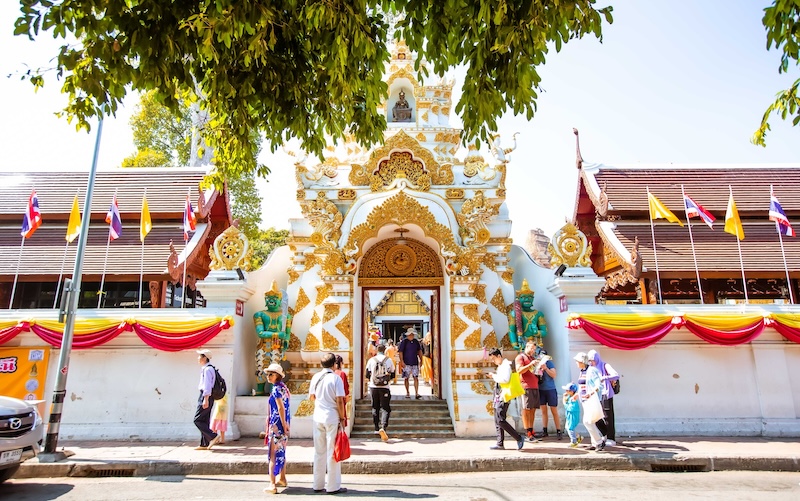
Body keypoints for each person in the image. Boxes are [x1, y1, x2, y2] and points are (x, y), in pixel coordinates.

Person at [308, 352, 347, 495]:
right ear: (334, 364)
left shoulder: (315, 377)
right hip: (332, 417)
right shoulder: (336, 379)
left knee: (319, 451)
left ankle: (317, 484)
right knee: (332, 452)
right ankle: (332, 486)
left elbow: (312, 397)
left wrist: (321, 402)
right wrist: (342, 418)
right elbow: (339, 400)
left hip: (318, 416)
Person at [253, 281, 292, 395]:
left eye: (275, 297)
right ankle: (260, 390)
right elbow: (260, 332)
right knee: (261, 366)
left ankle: (272, 390)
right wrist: (277, 335)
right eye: (269, 297)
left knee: (275, 366)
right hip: (263, 345)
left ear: (280, 300)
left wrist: (286, 341)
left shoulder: (286, 316)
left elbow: (287, 333)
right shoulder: (259, 315)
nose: (271, 299)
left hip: (277, 346)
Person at [487, 348, 525, 451]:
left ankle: (518, 437)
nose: (493, 361)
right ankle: (500, 443)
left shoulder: (506, 366)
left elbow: (505, 379)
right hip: (498, 395)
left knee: (500, 420)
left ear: (499, 356)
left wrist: (494, 376)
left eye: (494, 358)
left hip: (503, 396)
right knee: (497, 420)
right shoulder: (501, 366)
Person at [264, 363, 290, 494]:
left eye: (271, 374)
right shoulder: (284, 388)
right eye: (268, 374)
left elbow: (280, 407)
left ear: (277, 376)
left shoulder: (275, 389)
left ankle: (272, 484)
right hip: (283, 425)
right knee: (282, 451)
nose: (268, 376)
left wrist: (283, 423)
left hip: (276, 425)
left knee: (273, 455)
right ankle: (283, 478)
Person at [587, 349, 620, 445]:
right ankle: (604, 433)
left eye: (592, 360)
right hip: (595, 395)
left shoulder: (604, 365)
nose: (591, 362)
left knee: (608, 416)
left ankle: (611, 438)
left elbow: (615, 375)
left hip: (605, 393)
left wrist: (604, 378)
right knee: (596, 416)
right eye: (589, 360)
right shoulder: (590, 368)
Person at [575, 352, 606, 451]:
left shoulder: (591, 370)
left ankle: (599, 441)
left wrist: (591, 393)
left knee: (587, 421)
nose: (576, 363)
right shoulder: (582, 371)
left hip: (591, 399)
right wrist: (577, 394)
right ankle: (595, 443)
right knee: (590, 422)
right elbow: (582, 386)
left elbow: (598, 385)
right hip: (584, 399)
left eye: (577, 361)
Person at [507, 279, 548, 351]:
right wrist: (514, 344)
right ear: (519, 299)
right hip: (522, 343)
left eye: (529, 297)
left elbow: (544, 332)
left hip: (535, 344)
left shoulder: (538, 314)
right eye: (524, 297)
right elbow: (512, 330)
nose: (527, 300)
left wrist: (537, 332)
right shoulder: (514, 314)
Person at [366, 343, 395, 441]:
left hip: (373, 387)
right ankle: (383, 427)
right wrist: (386, 379)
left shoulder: (371, 360)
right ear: (385, 350)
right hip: (385, 387)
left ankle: (376, 427)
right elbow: (393, 373)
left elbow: (367, 373)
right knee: (385, 408)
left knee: (375, 406)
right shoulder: (388, 360)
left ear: (376, 350)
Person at [193, 349, 221, 450]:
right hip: (207, 396)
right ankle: (204, 443)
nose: (198, 358)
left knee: (197, 420)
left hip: (206, 396)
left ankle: (213, 436)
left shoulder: (208, 369)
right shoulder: (207, 369)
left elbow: (207, 386)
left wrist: (205, 399)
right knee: (204, 419)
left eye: (200, 356)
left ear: (205, 358)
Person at [513, 340, 540, 442]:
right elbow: (519, 370)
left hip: (535, 385)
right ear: (526, 347)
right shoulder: (521, 357)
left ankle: (531, 430)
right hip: (526, 386)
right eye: (531, 348)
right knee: (526, 409)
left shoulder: (532, 358)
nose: (533, 350)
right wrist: (530, 365)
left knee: (533, 409)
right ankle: (527, 432)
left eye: (534, 349)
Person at [537, 348, 562, 440]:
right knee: (543, 411)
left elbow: (554, 375)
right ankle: (545, 430)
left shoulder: (549, 363)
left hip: (550, 389)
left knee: (554, 410)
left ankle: (558, 430)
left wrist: (546, 368)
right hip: (541, 389)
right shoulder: (537, 364)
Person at [397, 328, 423, 399]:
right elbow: (400, 352)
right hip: (406, 362)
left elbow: (419, 351)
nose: (411, 336)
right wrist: (402, 361)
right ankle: (407, 392)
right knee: (406, 378)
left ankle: (416, 393)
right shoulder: (404, 342)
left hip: (414, 362)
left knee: (416, 377)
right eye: (410, 335)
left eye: (412, 335)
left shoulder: (416, 342)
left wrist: (421, 359)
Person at [561, 382, 582, 448]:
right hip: (570, 415)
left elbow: (570, 408)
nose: (566, 392)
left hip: (573, 415)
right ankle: (578, 437)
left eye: (567, 390)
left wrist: (564, 402)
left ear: (571, 391)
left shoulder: (573, 399)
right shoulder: (570, 397)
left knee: (570, 428)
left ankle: (574, 441)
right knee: (568, 427)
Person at [333, 354, 350, 425]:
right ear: (340, 363)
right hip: (340, 402)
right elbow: (345, 391)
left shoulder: (328, 374)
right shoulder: (341, 374)